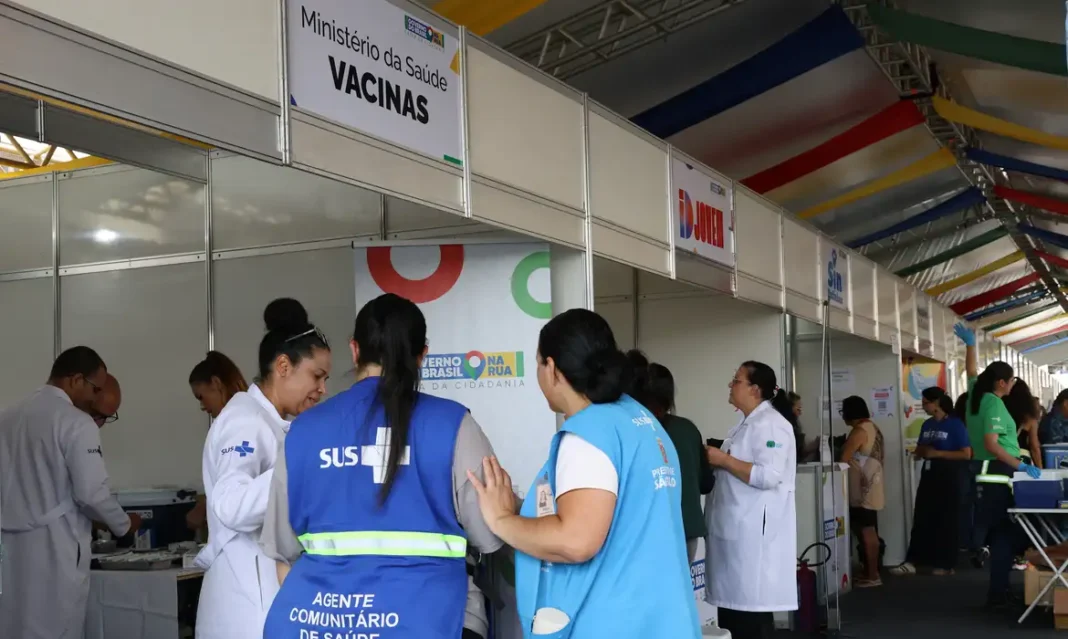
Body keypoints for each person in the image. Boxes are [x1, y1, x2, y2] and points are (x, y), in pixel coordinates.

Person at [261, 293, 504, 639]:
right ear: (422, 355)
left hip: (318, 623)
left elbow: (283, 554)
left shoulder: (303, 431)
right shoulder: (454, 424)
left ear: (354, 349)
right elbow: (491, 534)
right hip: (435, 621)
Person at [464, 309, 700, 638]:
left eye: (538, 363)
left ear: (551, 368)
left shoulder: (588, 435)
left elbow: (575, 541)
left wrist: (501, 520)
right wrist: (520, 508)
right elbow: (615, 513)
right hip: (658, 620)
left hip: (613, 624)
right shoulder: (639, 420)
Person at [195, 299, 331, 639]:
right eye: (317, 376)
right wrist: (301, 467)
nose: (322, 389)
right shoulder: (245, 420)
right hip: (245, 602)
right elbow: (230, 504)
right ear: (283, 365)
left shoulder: (275, 423)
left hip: (265, 591)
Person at [0, 347, 141, 639]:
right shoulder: (76, 422)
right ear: (76, 380)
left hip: (10, 549)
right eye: (95, 389)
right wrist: (124, 525)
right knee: (58, 628)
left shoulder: (7, 416)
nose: (94, 398)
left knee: (14, 625)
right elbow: (91, 494)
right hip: (56, 548)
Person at [703, 360, 797, 639]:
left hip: (752, 539)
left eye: (736, 380)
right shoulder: (745, 425)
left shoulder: (771, 425)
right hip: (735, 533)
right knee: (734, 616)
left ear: (755, 389)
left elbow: (769, 475)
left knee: (749, 619)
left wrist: (723, 459)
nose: (730, 385)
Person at [956, 322, 1039, 609]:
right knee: (1006, 534)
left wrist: (970, 345)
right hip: (997, 475)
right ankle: (997, 590)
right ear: (1001, 383)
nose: (1014, 384)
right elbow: (992, 444)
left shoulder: (975, 396)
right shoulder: (992, 404)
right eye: (1011, 380)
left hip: (986, 473)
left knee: (1002, 534)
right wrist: (1021, 466)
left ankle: (999, 589)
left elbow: (971, 373)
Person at [626, 350, 713, 563]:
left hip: (650, 533)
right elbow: (706, 483)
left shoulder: (634, 430)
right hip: (687, 530)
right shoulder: (687, 429)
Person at [890, 388, 971, 576]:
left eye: (926, 402)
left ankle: (946, 563)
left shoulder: (955, 424)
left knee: (947, 519)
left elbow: (966, 454)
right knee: (922, 516)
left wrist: (938, 453)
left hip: (950, 474)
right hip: (929, 473)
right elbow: (921, 448)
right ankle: (913, 560)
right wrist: (921, 452)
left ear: (936, 403)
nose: (923, 406)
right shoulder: (927, 425)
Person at [186, 351, 249, 531]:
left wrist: (201, 508)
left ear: (215, 383)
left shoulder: (239, 423)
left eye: (201, 397)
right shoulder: (233, 420)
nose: (202, 406)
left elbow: (236, 487)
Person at [839, 395, 885, 588]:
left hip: (863, 489)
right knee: (868, 528)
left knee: (866, 530)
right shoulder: (872, 427)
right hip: (871, 486)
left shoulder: (859, 431)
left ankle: (872, 575)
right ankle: (870, 572)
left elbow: (844, 458)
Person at [1004, 380, 1042, 469]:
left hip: (1003, 458)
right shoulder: (1029, 419)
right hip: (1022, 461)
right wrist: (1040, 468)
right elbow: (1034, 447)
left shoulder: (1000, 414)